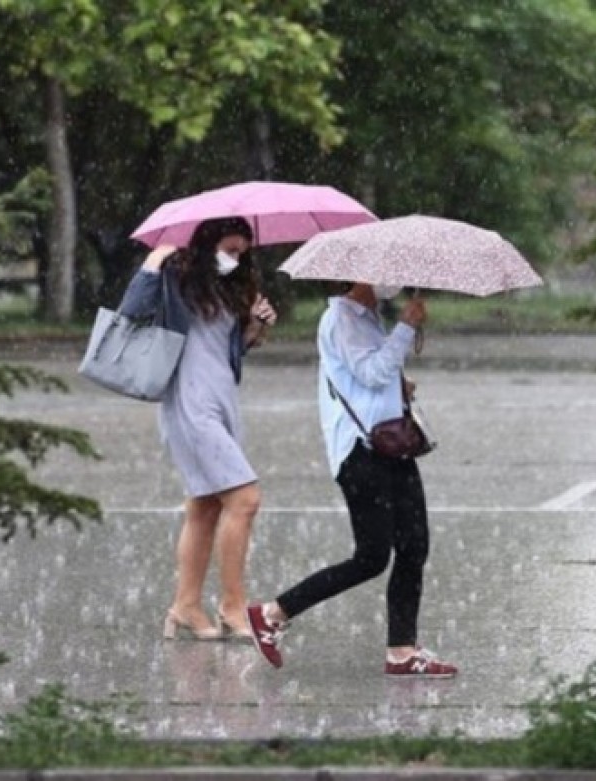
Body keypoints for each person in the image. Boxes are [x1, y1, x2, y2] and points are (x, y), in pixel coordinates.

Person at [245, 282, 458, 678]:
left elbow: (366, 380)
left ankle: (402, 651)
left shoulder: (369, 317)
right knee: (372, 557)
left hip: (392, 446)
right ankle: (272, 613)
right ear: (359, 276)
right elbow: (373, 373)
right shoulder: (340, 319)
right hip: (361, 454)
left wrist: (401, 387)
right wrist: (407, 327)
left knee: (414, 546)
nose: (390, 282)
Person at [119, 216, 277, 642]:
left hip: (222, 399)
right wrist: (152, 263)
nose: (235, 258)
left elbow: (229, 351)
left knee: (205, 506)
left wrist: (255, 326)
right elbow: (129, 313)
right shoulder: (175, 280)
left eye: (242, 251)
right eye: (229, 248)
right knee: (245, 498)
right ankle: (233, 605)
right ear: (207, 243)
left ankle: (185, 605)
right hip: (189, 401)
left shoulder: (230, 288)